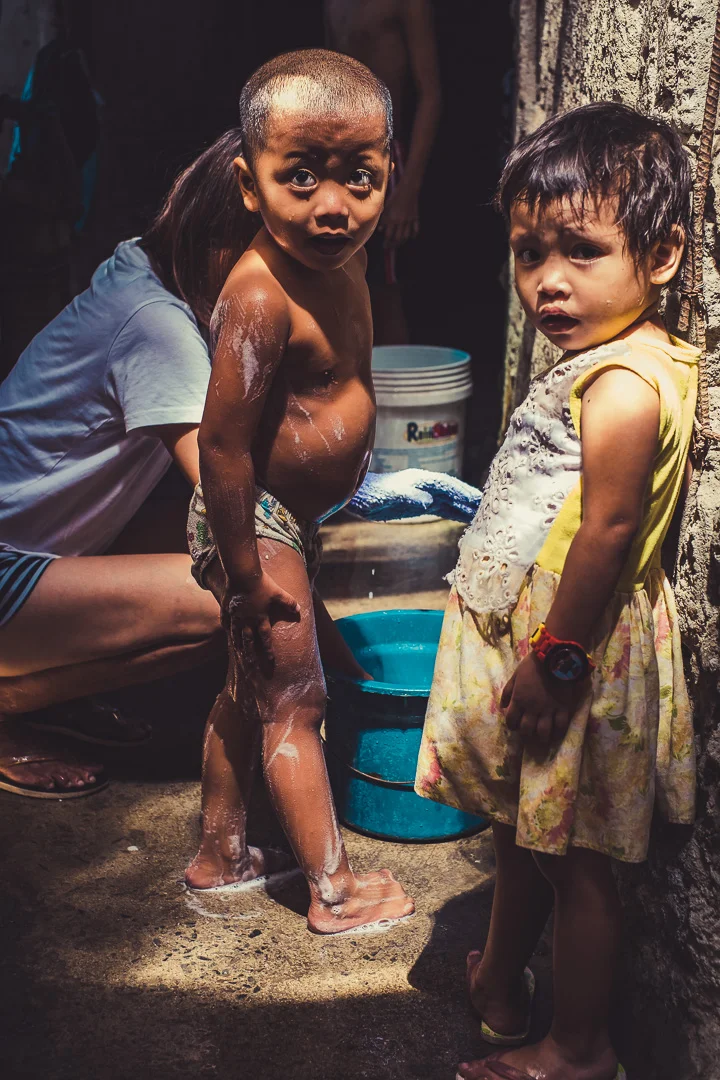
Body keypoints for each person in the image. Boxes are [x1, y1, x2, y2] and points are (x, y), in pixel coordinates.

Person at [0, 116, 479, 804]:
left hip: (45, 544)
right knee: (243, 594)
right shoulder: (155, 327)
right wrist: (352, 682)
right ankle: (12, 704)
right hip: (8, 567)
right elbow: (240, 497)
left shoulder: (151, 263)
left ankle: (48, 661)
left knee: (234, 550)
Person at [414, 103, 697, 1080]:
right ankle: (498, 977)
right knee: (527, 828)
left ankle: (579, 1048)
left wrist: (558, 660)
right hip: (540, 638)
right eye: (530, 252)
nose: (548, 281)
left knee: (578, 862)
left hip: (574, 651)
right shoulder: (604, 357)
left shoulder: (621, 383)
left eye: (581, 250)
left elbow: (611, 530)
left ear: (661, 257)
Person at [183, 49, 417, 935]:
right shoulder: (260, 292)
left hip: (293, 520)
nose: (333, 205)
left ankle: (221, 850)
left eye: (359, 178)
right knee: (297, 697)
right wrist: (246, 574)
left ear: (390, 168)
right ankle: (334, 890)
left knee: (251, 687)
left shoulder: (346, 260)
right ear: (250, 183)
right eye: (302, 178)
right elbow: (224, 444)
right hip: (253, 516)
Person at [324, 0, 441, 344]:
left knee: (386, 288)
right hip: (336, 157)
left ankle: (397, 393)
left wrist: (408, 191)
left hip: (383, 155)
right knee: (340, 281)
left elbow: (431, 95)